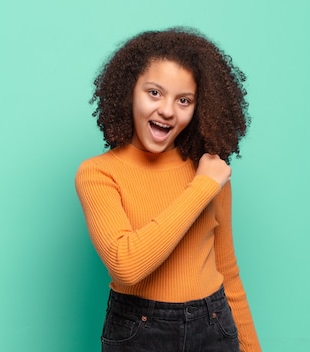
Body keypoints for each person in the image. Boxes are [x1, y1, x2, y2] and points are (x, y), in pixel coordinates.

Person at [75, 27, 261, 352]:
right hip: (140, 331)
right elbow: (126, 265)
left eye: (184, 100)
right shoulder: (99, 173)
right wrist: (201, 188)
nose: (167, 111)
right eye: (154, 93)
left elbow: (227, 271)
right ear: (128, 92)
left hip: (214, 323)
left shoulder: (209, 167)